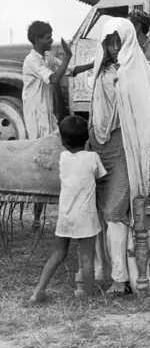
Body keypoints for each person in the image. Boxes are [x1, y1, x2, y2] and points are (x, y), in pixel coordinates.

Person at [88, 17, 150, 294]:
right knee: (104, 214)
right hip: (99, 147)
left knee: (117, 212)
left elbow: (145, 116)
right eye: (109, 42)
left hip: (124, 148)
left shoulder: (137, 72)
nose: (114, 47)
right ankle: (112, 273)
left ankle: (121, 279)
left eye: (118, 41)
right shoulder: (99, 70)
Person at [22, 21, 92, 229]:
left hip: (48, 114)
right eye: (47, 37)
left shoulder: (46, 57)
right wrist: (68, 57)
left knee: (54, 159)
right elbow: (54, 79)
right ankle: (36, 217)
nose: (51, 40)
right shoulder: (32, 60)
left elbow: (71, 71)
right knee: (41, 163)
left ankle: (50, 212)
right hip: (36, 116)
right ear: (37, 40)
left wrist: (95, 64)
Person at [30, 115, 106, 303]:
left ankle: (38, 291)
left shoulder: (63, 158)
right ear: (88, 138)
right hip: (85, 216)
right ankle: (86, 296)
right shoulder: (92, 157)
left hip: (65, 216)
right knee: (87, 257)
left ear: (63, 141)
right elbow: (102, 176)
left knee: (57, 253)